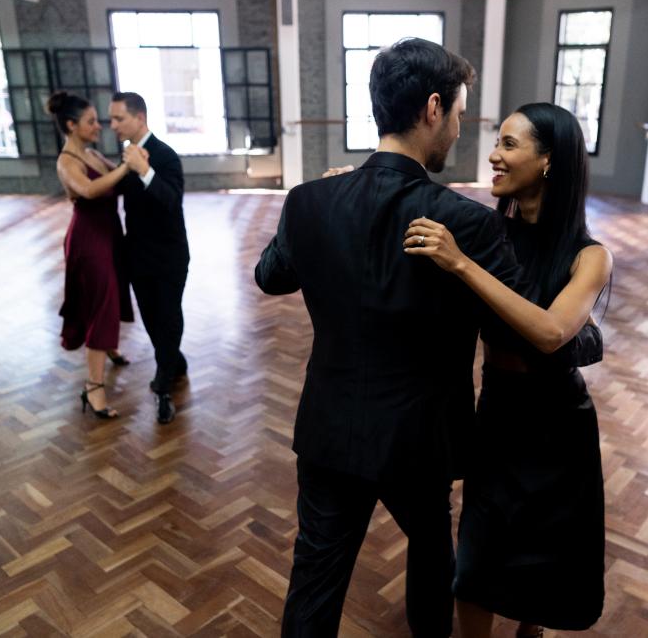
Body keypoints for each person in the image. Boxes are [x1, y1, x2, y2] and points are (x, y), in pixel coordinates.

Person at [255, 39, 598, 637]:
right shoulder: (467, 223)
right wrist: (588, 338)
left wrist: (324, 213)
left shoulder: (310, 200)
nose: (462, 131)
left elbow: (270, 276)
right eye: (460, 114)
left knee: (314, 580)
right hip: (419, 437)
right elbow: (530, 329)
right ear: (434, 109)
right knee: (433, 559)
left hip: (330, 429)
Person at [403, 102, 612, 637]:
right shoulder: (487, 231)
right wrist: (352, 185)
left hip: (559, 425)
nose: (494, 155)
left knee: (542, 557)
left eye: (510, 144)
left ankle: (530, 630)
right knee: (476, 562)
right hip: (498, 411)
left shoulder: (590, 256)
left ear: (548, 160)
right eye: (498, 142)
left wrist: (462, 264)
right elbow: (411, 208)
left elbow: (551, 332)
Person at [47, 90, 134, 419]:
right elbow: (90, 189)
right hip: (88, 240)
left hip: (109, 234)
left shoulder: (93, 154)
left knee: (109, 295)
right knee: (102, 303)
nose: (99, 126)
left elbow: (119, 180)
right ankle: (94, 387)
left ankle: (108, 347)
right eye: (91, 121)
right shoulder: (67, 161)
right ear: (71, 125)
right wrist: (127, 166)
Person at [109, 92, 189, 425]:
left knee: (168, 316)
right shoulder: (126, 155)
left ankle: (164, 385)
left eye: (119, 118)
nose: (113, 125)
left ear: (139, 118)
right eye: (111, 119)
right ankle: (174, 361)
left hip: (169, 255)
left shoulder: (165, 155)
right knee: (151, 318)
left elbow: (171, 201)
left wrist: (144, 170)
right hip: (138, 255)